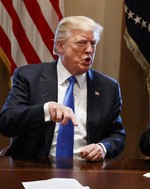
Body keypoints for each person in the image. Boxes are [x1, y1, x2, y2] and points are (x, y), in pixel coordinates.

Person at [0, 16, 125, 162]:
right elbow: (6, 122)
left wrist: (103, 148)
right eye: (81, 43)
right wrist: (46, 110)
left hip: (87, 170)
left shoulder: (108, 87)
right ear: (60, 46)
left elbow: (117, 135)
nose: (89, 50)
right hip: (36, 167)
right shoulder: (28, 76)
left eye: (93, 43)